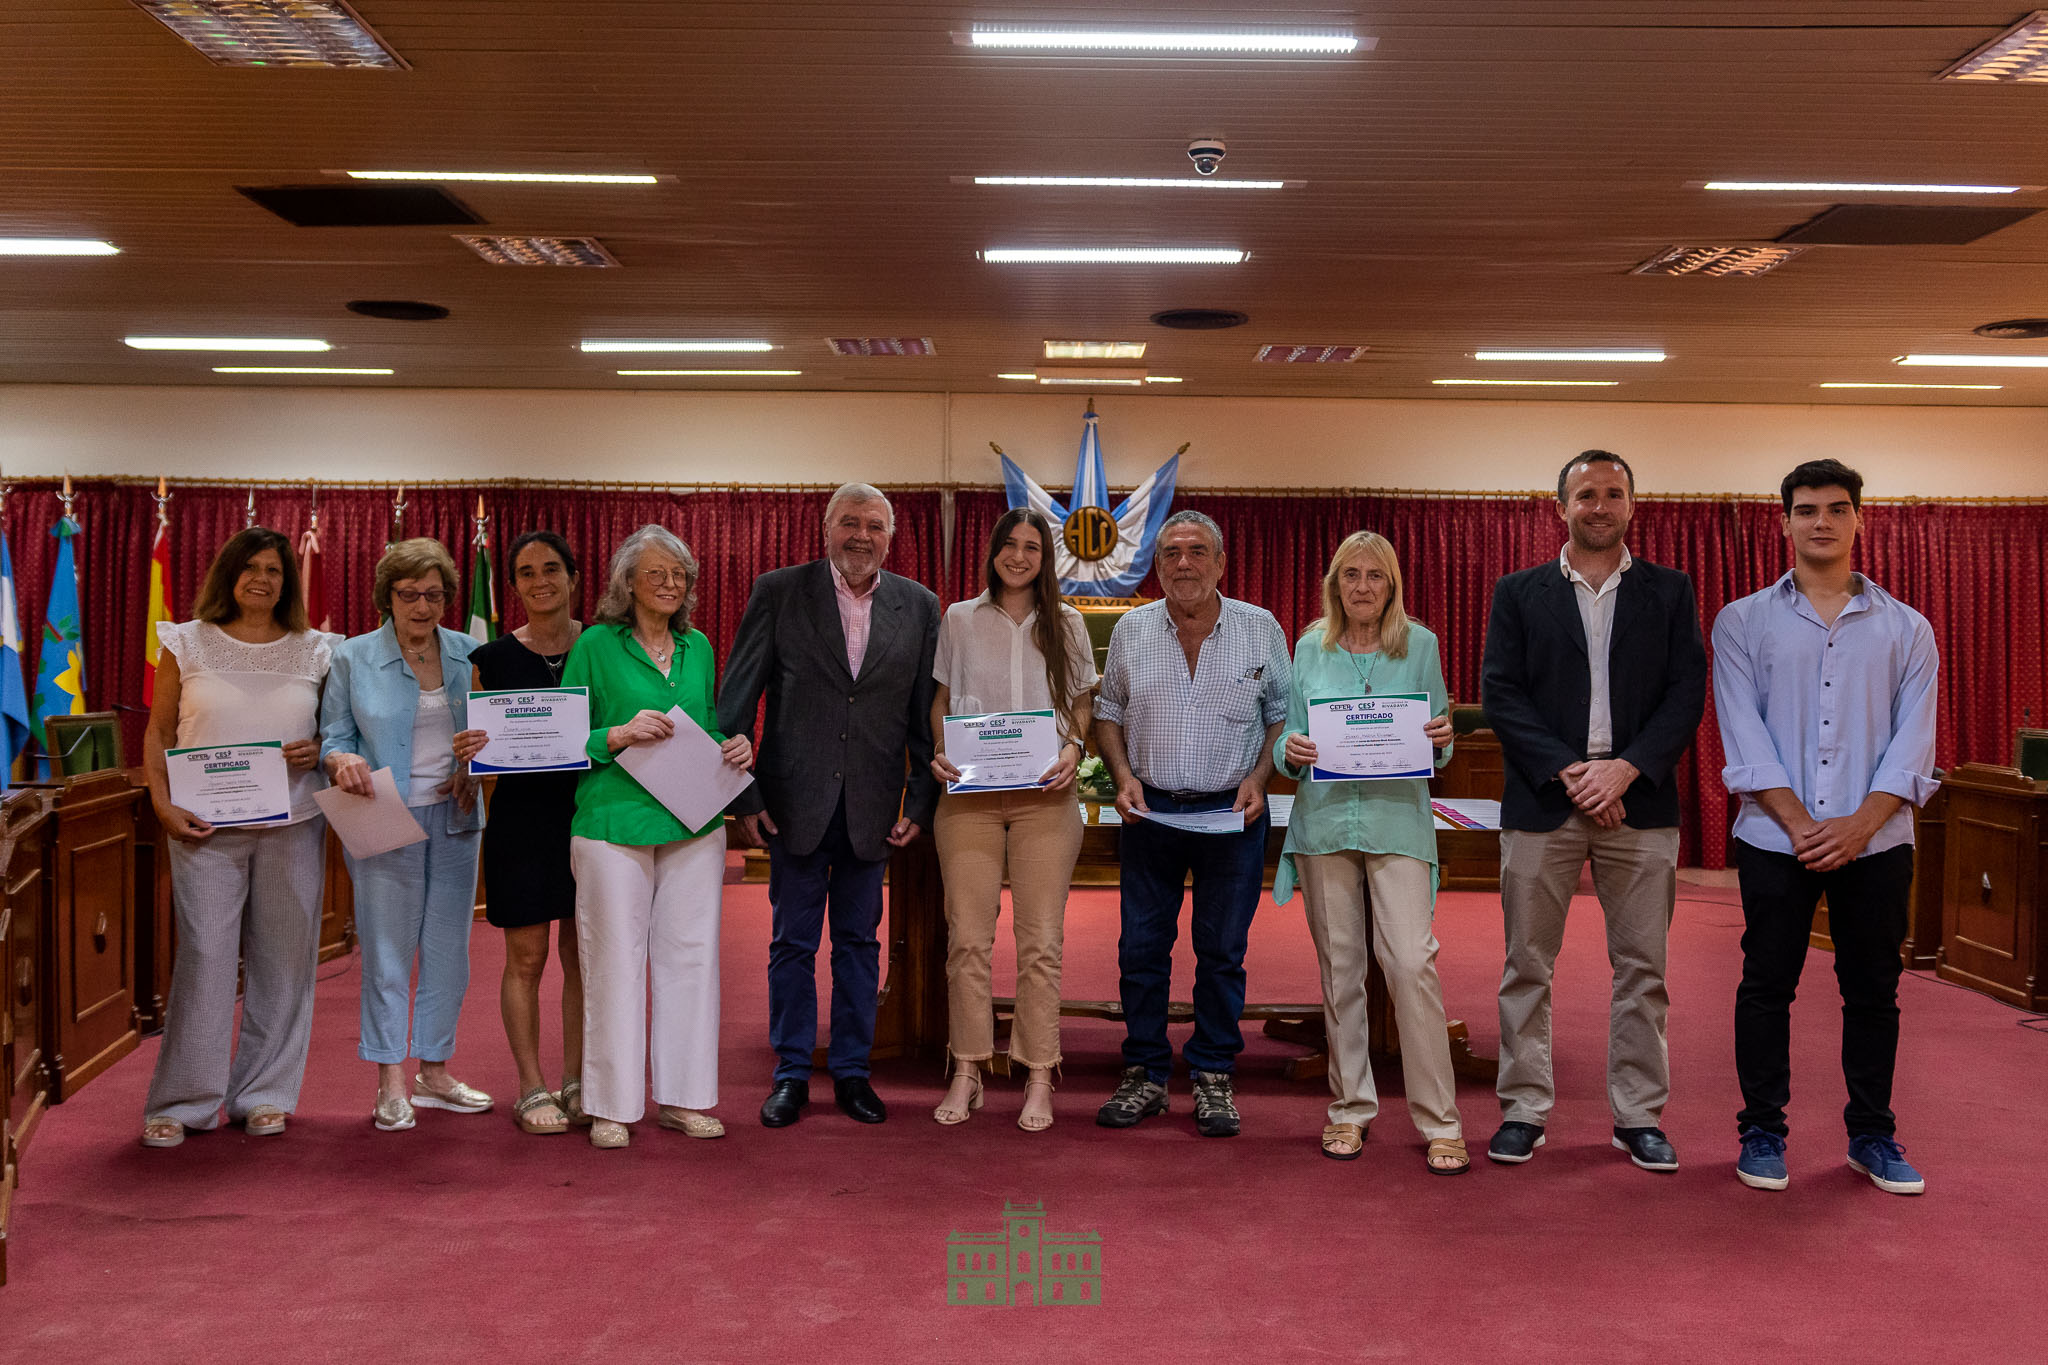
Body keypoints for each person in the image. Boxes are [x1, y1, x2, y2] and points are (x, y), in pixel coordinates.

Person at [1713, 459, 1938, 1196]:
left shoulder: (1908, 628)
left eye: (1837, 508)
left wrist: (1858, 826)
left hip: (1877, 842)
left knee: (1873, 990)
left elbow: (1913, 745)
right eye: (1806, 509)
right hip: (1775, 839)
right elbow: (1743, 734)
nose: (1822, 521)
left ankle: (1872, 1134)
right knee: (1765, 985)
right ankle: (1762, 1131)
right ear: (1785, 522)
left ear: (1858, 520)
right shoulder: (1742, 620)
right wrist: (1804, 823)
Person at [1479, 450, 1706, 1171]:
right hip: (1545, 798)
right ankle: (1523, 1107)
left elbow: (1686, 692)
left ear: (1632, 505)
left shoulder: (1670, 591)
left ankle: (1638, 1115)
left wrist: (1626, 769)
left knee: (1643, 968)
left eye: (1612, 493)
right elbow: (1501, 692)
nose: (1599, 506)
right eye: (1585, 495)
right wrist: (1571, 771)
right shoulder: (1519, 592)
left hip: (1641, 802)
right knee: (1526, 964)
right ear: (1561, 507)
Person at [718, 483, 940, 1128]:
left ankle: (851, 1072)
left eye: (874, 525)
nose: (860, 536)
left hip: (875, 808)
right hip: (792, 806)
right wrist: (745, 796)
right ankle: (791, 1072)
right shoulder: (779, 591)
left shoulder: (919, 606)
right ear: (826, 529)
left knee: (859, 945)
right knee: (791, 944)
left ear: (889, 537)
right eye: (849, 522)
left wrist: (921, 802)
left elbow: (923, 719)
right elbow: (735, 706)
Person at [545, 525, 752, 1149]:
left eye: (679, 575)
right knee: (613, 962)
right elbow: (561, 735)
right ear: (627, 582)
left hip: (694, 823)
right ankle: (611, 1105)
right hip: (613, 823)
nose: (670, 584)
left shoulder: (699, 645)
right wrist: (616, 735)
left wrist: (734, 746)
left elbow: (706, 725)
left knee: (692, 960)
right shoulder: (595, 644)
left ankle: (684, 1100)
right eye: (656, 573)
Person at [1271, 531, 1466, 1172]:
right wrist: (1288, 751)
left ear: (1392, 585)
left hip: (1396, 822)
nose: (1362, 586)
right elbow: (1289, 741)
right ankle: (1350, 1108)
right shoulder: (1310, 646)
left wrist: (1441, 738)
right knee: (1341, 970)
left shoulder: (1422, 645)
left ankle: (1440, 1119)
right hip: (1325, 823)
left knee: (1411, 963)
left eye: (1374, 576)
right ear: (1335, 584)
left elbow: (1439, 740)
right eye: (1350, 575)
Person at [1093, 510, 1291, 1138]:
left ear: (1221, 563)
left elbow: (1282, 716)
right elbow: (1108, 712)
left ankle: (1212, 1072)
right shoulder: (1132, 629)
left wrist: (1260, 777)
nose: (1184, 563)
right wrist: (1121, 775)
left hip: (1232, 814)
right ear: (1157, 565)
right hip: (1150, 810)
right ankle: (1146, 1072)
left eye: (1198, 551)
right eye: (1172, 553)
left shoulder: (1260, 627)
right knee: (1141, 949)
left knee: (1222, 951)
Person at [138, 528, 338, 1147]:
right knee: (204, 959)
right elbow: (159, 731)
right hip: (203, 828)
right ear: (228, 574)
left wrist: (319, 748)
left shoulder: (318, 650)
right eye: (250, 567)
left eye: (274, 570)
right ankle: (184, 1101)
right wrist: (161, 803)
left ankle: (264, 1094)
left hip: (293, 825)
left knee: (285, 961)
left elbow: (338, 732)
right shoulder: (186, 641)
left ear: (288, 582)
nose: (262, 579)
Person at [928, 509, 1095, 1131]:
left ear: (1045, 559)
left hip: (1045, 799)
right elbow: (942, 700)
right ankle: (968, 1067)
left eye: (1032, 547)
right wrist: (939, 748)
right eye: (1009, 544)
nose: (1019, 556)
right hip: (968, 799)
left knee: (1040, 944)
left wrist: (1074, 747)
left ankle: (1038, 1072)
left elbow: (1082, 701)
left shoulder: (1067, 622)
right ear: (994, 550)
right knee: (967, 940)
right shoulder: (959, 618)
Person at [320, 537, 489, 1133]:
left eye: (435, 595)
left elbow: (494, 733)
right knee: (388, 953)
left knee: (448, 952)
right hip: (382, 813)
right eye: (409, 593)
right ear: (386, 596)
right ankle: (390, 1079)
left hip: (457, 816)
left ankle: (434, 1072)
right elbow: (333, 737)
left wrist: (477, 766)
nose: (423, 606)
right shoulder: (352, 656)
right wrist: (340, 760)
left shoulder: (471, 652)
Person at [451, 531, 587, 1135]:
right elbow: (478, 763)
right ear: (512, 587)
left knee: (584, 959)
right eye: (526, 573)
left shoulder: (604, 645)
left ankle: (578, 1080)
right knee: (526, 959)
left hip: (593, 820)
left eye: (551, 568)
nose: (540, 581)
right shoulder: (490, 659)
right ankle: (532, 1087)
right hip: (522, 824)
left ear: (573, 577)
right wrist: (469, 752)